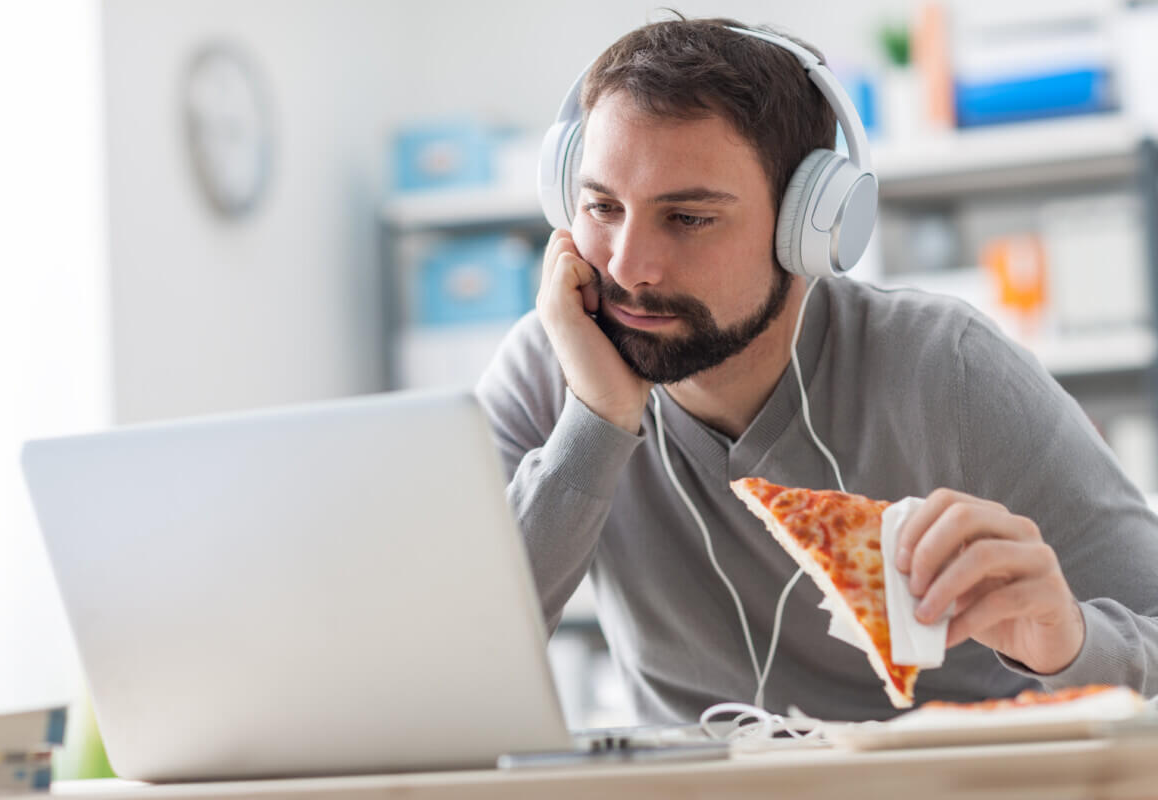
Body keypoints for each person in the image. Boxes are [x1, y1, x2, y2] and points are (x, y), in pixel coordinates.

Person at [475, 16, 1158, 723]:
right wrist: (594, 423)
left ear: (809, 227)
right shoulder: (553, 364)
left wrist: (1067, 640)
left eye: (688, 218)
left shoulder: (949, 369)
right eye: (602, 207)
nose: (626, 266)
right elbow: (456, 667)